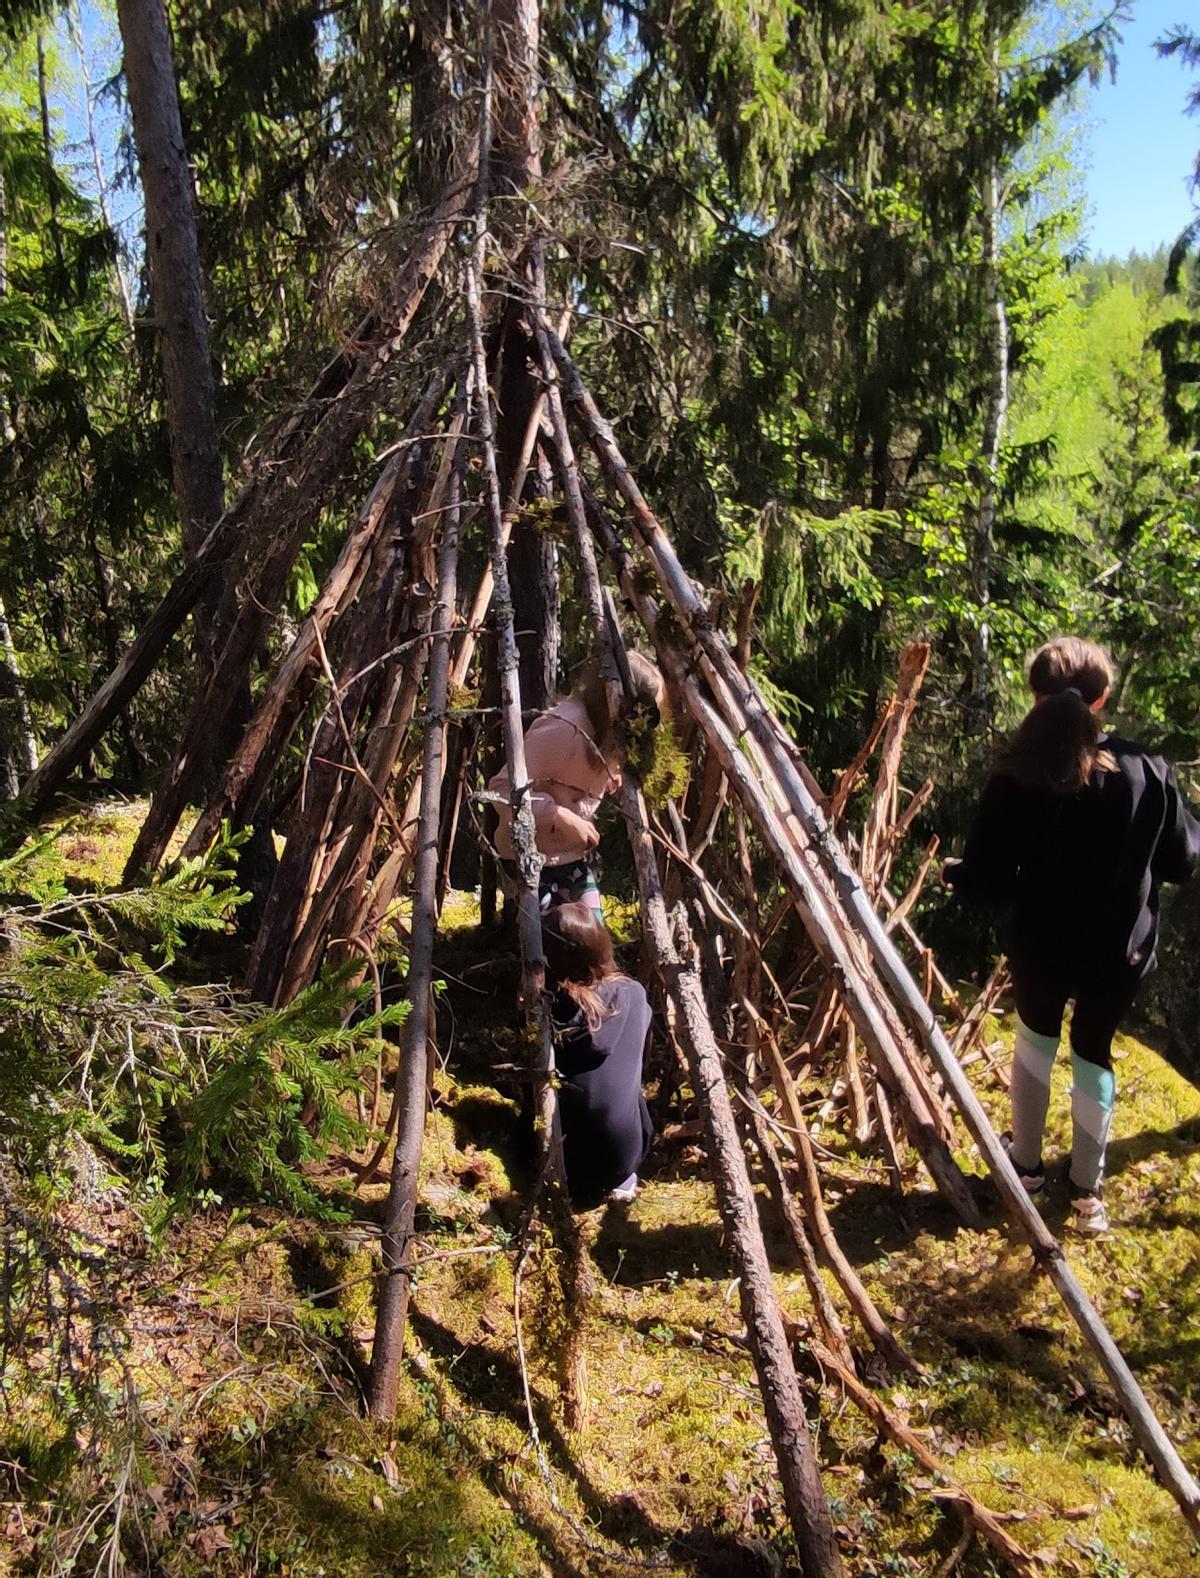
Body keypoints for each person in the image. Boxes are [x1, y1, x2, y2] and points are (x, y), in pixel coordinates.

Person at [944, 636, 1200, 1234]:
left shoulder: (1017, 773)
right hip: (1119, 950)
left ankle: (1026, 1169)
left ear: (1033, 697)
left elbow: (986, 879)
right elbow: (1183, 861)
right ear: (1103, 698)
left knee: (1035, 1037)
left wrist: (956, 873)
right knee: (1094, 1050)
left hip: (1041, 943)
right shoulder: (1147, 771)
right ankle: (1087, 1194)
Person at [487, 652, 665, 915]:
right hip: (531, 860)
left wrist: (603, 780)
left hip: (570, 859)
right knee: (556, 940)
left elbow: (574, 775)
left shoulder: (609, 739)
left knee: (592, 943)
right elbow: (502, 790)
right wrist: (559, 817)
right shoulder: (565, 730)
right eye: (643, 713)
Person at [541, 901, 654, 1211]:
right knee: (628, 1084)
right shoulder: (634, 993)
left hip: (572, 1162)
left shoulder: (553, 1010)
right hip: (628, 1152)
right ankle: (623, 1180)